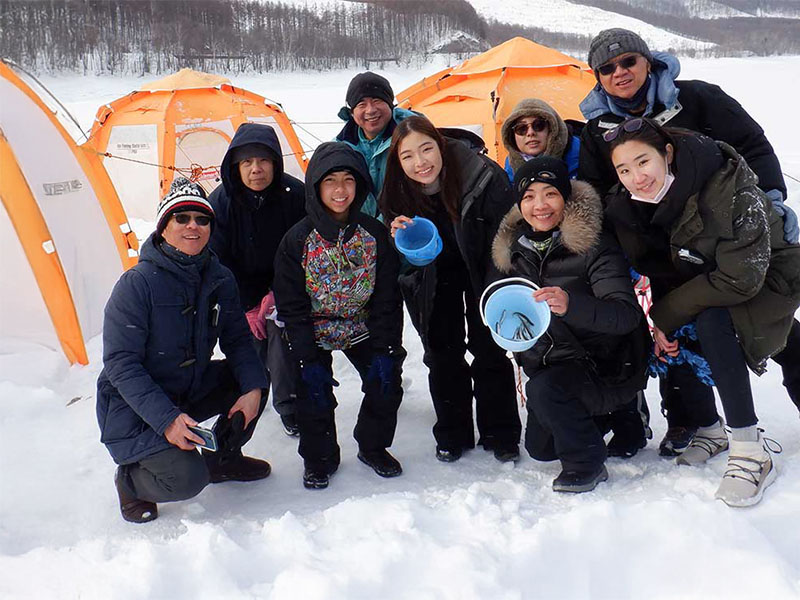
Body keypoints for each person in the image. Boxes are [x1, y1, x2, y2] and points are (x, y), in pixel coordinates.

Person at [577, 27, 800, 452]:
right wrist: (617, 249)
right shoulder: (597, 131)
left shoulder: (697, 98)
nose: (619, 72)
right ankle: (692, 422)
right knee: (675, 331)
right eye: (607, 68)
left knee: (770, 324)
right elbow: (596, 194)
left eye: (628, 61)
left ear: (648, 61)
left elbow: (752, 144)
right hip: (665, 249)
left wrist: (770, 199)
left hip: (730, 237)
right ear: (597, 77)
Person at [603, 118, 800, 506]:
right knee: (675, 332)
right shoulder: (632, 205)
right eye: (624, 169)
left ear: (668, 154)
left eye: (643, 162)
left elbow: (740, 279)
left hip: (766, 276)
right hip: (703, 274)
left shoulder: (730, 189)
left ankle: (749, 450)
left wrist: (666, 313)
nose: (636, 177)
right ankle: (710, 429)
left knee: (713, 321)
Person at [97, 178, 271, 523]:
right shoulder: (137, 284)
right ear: (163, 227)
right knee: (188, 479)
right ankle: (131, 483)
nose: (193, 226)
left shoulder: (219, 278)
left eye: (202, 219)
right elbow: (121, 364)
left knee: (254, 379)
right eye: (182, 218)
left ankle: (224, 457)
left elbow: (237, 339)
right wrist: (167, 420)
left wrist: (252, 389)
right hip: (133, 406)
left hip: (189, 387)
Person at [490, 156, 647, 492]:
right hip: (553, 365)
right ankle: (616, 417)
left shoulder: (595, 245)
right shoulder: (514, 252)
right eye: (529, 197)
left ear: (565, 198)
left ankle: (587, 463)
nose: (540, 205)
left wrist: (571, 305)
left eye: (550, 194)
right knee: (540, 449)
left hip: (605, 364)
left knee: (544, 391)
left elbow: (625, 315)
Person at [381, 115, 522, 463]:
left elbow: (508, 230)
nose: (420, 162)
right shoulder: (397, 184)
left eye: (426, 149)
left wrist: (497, 284)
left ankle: (500, 432)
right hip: (434, 271)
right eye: (408, 156)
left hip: (483, 266)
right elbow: (390, 218)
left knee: (489, 348)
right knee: (441, 353)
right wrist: (395, 228)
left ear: (440, 145)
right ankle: (452, 432)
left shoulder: (482, 173)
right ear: (398, 161)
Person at [272, 142, 406, 490]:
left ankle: (373, 446)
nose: (340, 189)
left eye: (349, 179)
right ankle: (320, 458)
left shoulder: (374, 235)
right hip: (314, 329)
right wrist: (305, 358)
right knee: (312, 393)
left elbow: (388, 298)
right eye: (330, 180)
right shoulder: (296, 240)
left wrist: (387, 348)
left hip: (362, 324)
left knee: (386, 379)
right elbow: (292, 306)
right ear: (316, 185)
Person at [208, 122, 305, 437]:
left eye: (263, 161)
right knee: (249, 341)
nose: (255, 170)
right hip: (239, 292)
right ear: (235, 166)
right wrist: (246, 306)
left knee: (282, 331)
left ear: (275, 162)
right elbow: (218, 263)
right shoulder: (220, 203)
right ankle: (246, 404)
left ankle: (289, 405)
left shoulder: (296, 196)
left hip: (287, 287)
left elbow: (304, 252)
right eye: (246, 162)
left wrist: (277, 295)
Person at [335, 71, 415, 217]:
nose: (371, 110)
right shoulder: (340, 148)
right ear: (352, 112)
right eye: (361, 104)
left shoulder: (413, 136)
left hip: (406, 225)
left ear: (390, 105)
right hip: (361, 231)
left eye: (377, 100)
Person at [500, 98, 581, 181]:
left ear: (552, 129)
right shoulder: (510, 164)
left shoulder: (582, 154)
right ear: (512, 136)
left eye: (538, 125)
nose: (530, 133)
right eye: (521, 128)